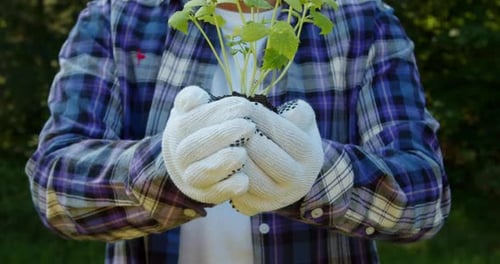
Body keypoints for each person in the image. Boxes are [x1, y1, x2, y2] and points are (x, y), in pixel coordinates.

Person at [26, 0, 451, 263]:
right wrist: (165, 169)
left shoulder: (364, 22)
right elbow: (54, 189)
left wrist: (318, 174)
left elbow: (424, 200)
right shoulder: (116, 19)